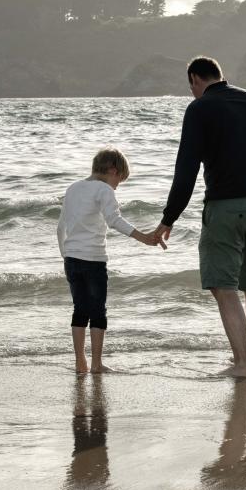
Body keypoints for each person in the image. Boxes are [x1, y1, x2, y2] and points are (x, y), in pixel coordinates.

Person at [154, 56, 246, 379]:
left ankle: (241, 364)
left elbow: (186, 168)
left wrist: (169, 217)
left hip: (225, 207)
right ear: (220, 75)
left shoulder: (200, 108)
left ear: (194, 79)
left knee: (223, 285)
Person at [57, 147, 157, 374]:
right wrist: (144, 238)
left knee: (79, 309)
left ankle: (79, 361)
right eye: (120, 179)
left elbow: (61, 226)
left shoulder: (73, 188)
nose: (117, 185)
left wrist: (66, 254)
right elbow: (114, 220)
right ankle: (97, 364)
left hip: (71, 258)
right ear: (113, 170)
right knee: (98, 311)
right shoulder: (104, 189)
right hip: (93, 258)